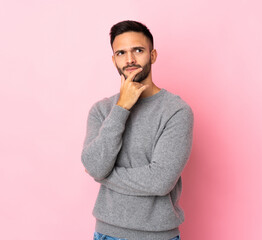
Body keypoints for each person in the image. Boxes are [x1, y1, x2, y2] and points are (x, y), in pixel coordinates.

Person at [81, 20, 194, 240]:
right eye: (121, 53)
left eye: (138, 50)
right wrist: (122, 107)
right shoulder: (102, 110)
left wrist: (102, 175)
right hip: (106, 233)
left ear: (152, 56)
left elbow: (160, 180)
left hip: (158, 236)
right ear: (114, 60)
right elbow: (95, 165)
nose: (130, 59)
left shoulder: (177, 111)